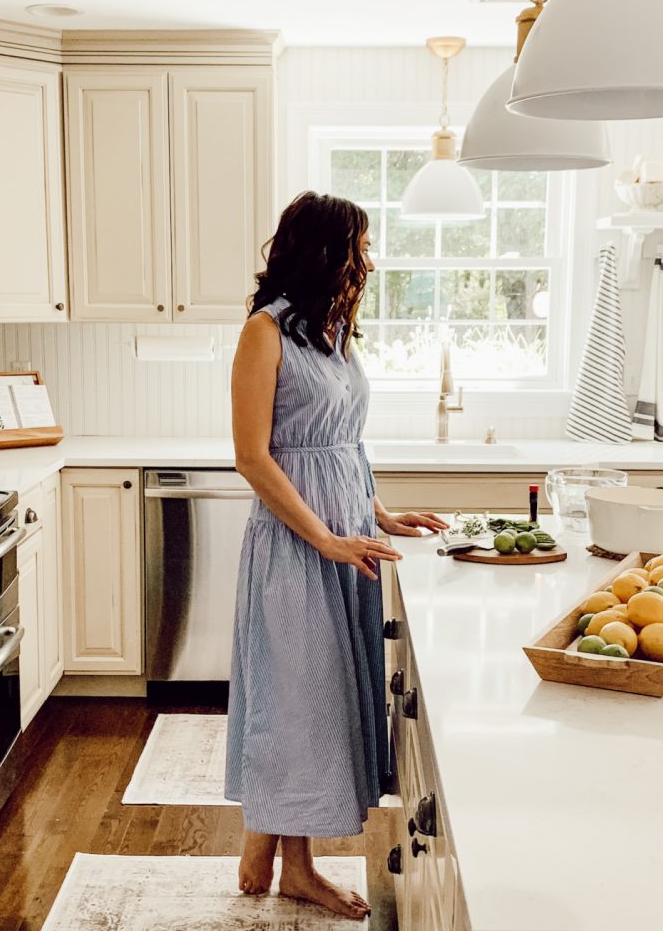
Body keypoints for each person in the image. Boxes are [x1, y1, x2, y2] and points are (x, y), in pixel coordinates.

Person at [225, 191, 447, 920]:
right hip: (298, 546)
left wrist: (382, 511)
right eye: (360, 247)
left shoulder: (331, 331)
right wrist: (323, 536)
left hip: (344, 538)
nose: (369, 262)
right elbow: (253, 458)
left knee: (314, 698)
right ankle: (299, 870)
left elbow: (343, 442)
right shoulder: (265, 334)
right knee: (300, 703)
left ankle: (264, 841)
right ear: (324, 252)